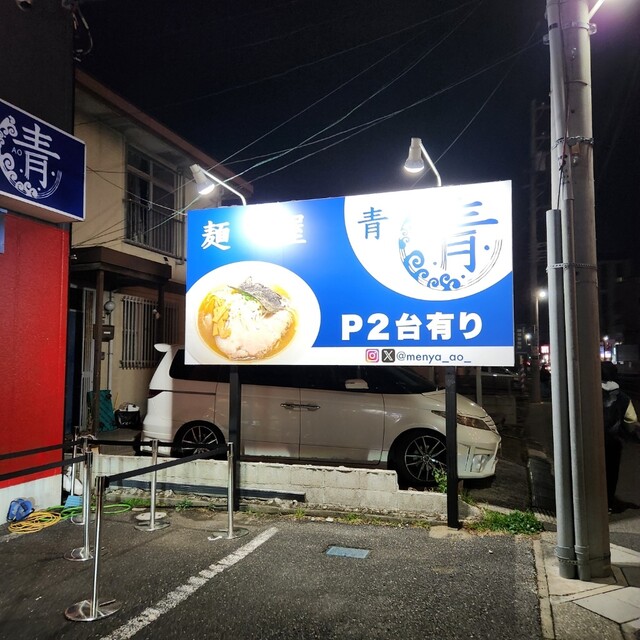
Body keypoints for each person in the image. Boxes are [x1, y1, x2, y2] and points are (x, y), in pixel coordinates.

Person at [601, 361, 638, 512]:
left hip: (590, 441)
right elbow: (631, 421)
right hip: (613, 441)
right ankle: (608, 504)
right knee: (611, 472)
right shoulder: (623, 397)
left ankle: (590, 500)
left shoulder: (588, 392)